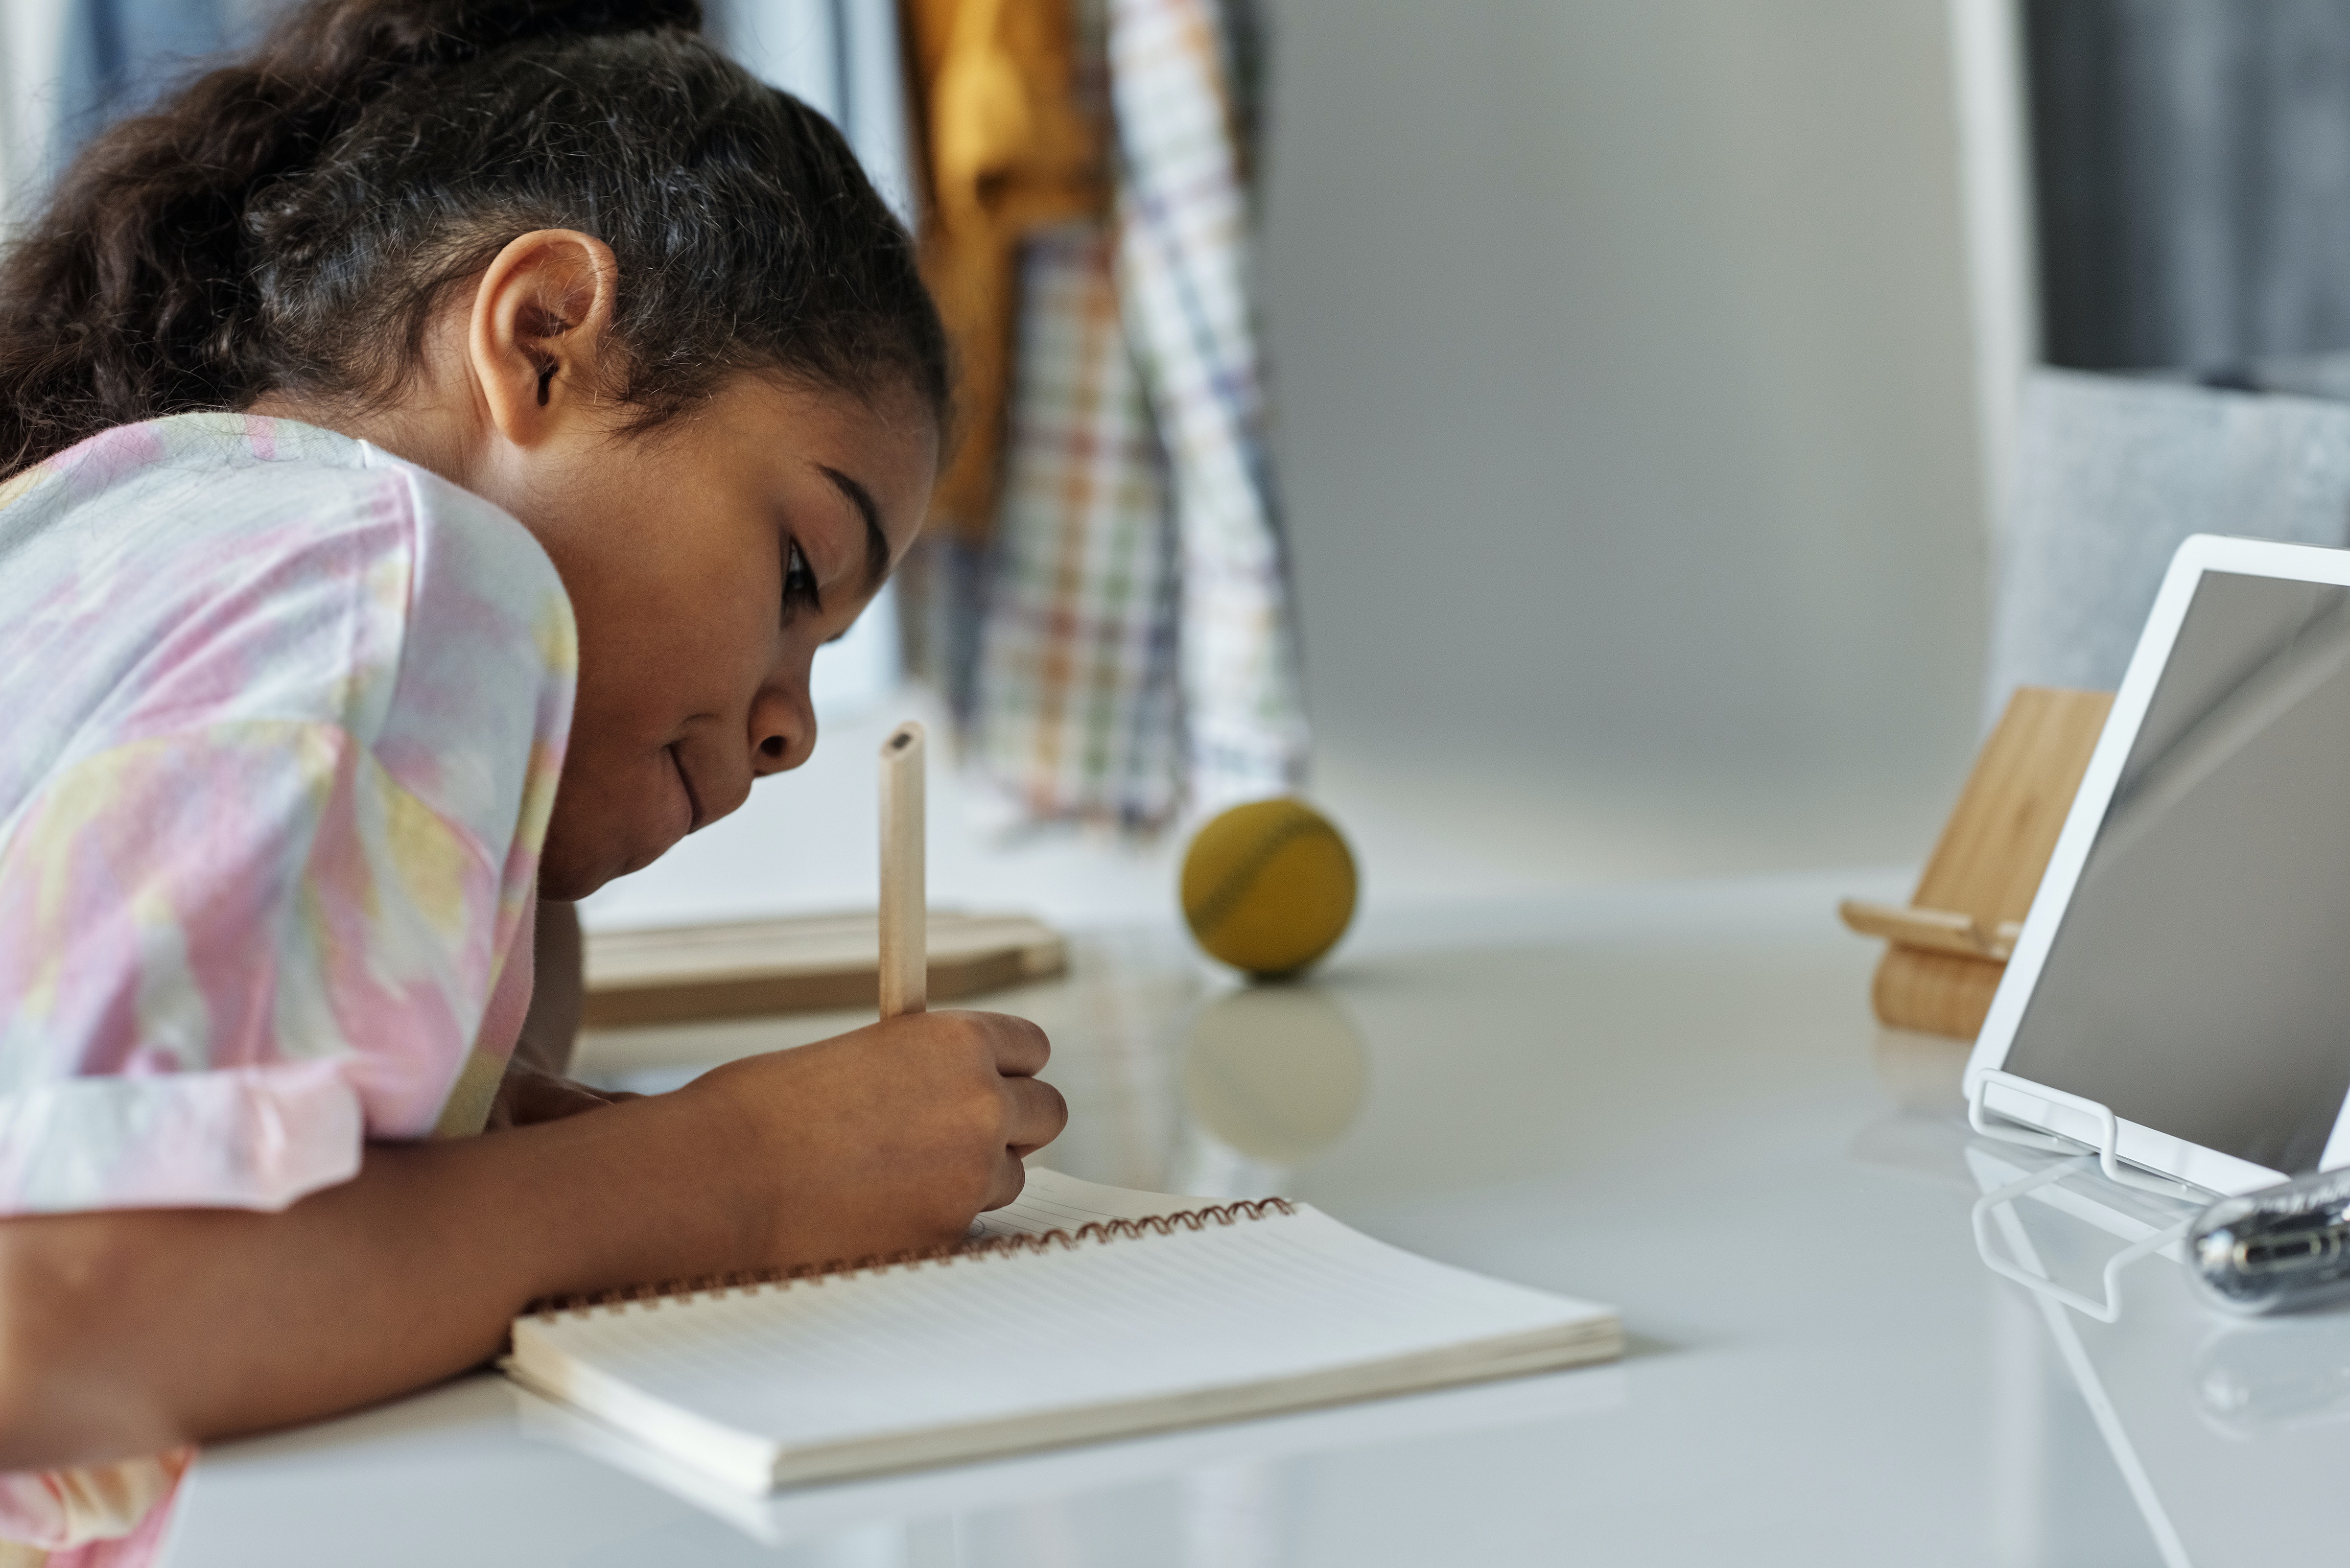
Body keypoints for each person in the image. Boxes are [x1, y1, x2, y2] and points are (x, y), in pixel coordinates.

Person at [0, 2, 1068, 1560]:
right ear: (545, 336)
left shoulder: (132, 528)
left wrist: (518, 1099)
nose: (794, 731)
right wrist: (743, 1169)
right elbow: (56, 1325)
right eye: (794, 569)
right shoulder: (413, 572)